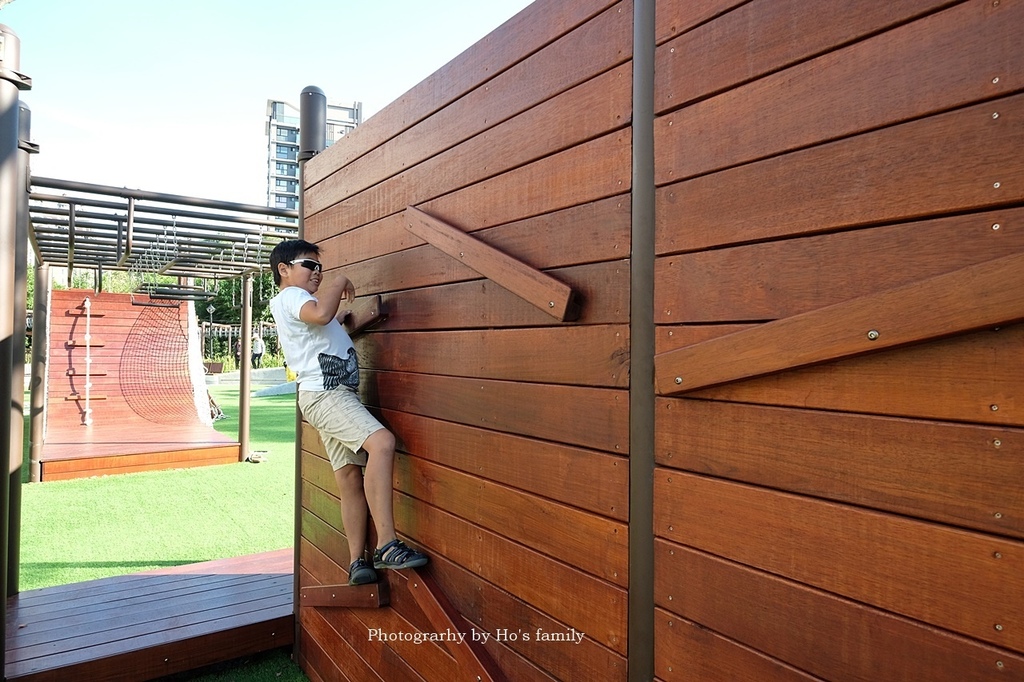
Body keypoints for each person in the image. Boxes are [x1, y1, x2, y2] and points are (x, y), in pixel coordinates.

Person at [268, 239, 428, 585]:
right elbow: (320, 314)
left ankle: (358, 560)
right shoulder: (292, 297)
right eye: (310, 266)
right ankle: (386, 543)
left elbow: (322, 324)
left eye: (321, 269)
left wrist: (338, 322)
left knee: (349, 478)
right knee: (382, 443)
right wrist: (340, 282)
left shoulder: (293, 304)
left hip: (324, 396)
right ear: (284, 270)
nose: (318, 274)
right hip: (328, 395)